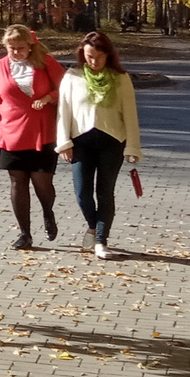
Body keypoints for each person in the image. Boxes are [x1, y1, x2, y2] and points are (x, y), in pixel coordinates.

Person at [0, 24, 68, 250]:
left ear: (30, 46)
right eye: (11, 48)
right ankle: (24, 233)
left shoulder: (46, 62)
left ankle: (48, 213)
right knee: (18, 182)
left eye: (20, 48)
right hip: (11, 133)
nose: (16, 52)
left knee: (42, 181)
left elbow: (68, 89)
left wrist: (48, 98)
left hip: (42, 131)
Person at [55, 30, 143, 260]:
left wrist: (132, 147)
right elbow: (63, 111)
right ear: (82, 54)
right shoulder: (72, 76)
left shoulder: (120, 77)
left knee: (105, 192)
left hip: (112, 141)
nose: (94, 61)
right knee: (82, 192)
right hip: (81, 142)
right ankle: (93, 227)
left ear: (108, 55)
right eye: (89, 56)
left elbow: (130, 114)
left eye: (99, 56)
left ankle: (101, 240)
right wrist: (64, 142)